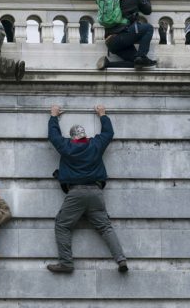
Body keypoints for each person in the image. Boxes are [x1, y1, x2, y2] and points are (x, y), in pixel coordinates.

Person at [46, 104, 127, 274]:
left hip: (76, 193)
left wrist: (53, 116)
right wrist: (102, 114)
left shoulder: (67, 147)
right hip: (96, 193)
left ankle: (66, 263)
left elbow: (53, 136)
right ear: (85, 135)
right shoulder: (95, 145)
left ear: (72, 137)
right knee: (105, 227)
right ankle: (121, 259)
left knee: (62, 225)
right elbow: (108, 133)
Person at [97, 0, 155, 70]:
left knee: (136, 63)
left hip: (110, 42)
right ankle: (142, 56)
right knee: (148, 28)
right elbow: (147, 10)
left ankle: (107, 64)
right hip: (123, 36)